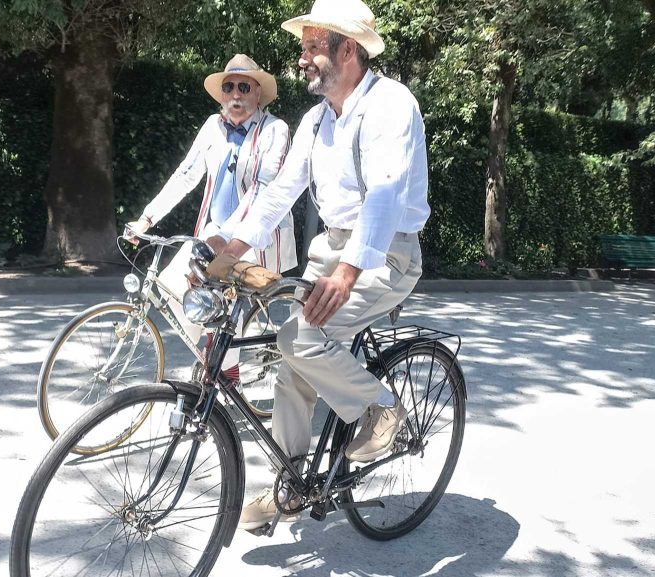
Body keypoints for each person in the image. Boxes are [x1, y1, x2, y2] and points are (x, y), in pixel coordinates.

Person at [207, 0, 432, 530]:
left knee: (302, 339)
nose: (303, 59)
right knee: (293, 361)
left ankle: (383, 408)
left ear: (347, 49)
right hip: (330, 249)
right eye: (304, 47)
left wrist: (350, 269)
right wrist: (230, 252)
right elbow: (281, 191)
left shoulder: (391, 104)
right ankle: (291, 485)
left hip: (387, 253)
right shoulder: (314, 118)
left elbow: (384, 193)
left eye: (313, 47)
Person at [126, 54, 297, 381]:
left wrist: (227, 241)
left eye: (243, 86)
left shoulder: (275, 130)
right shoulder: (212, 127)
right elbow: (185, 176)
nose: (235, 94)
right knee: (171, 290)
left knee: (218, 297)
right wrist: (146, 219)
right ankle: (221, 361)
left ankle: (222, 369)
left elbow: (262, 192)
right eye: (228, 87)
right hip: (212, 233)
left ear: (257, 93)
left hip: (254, 239)